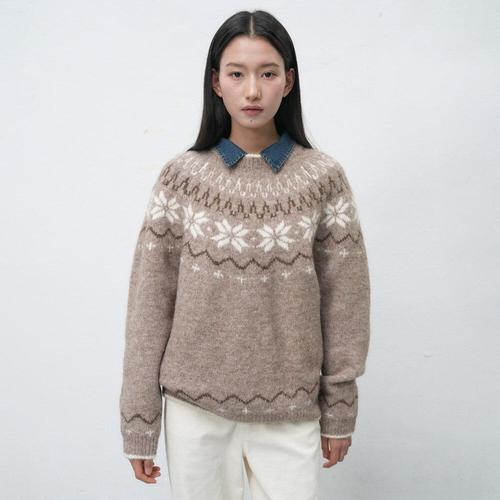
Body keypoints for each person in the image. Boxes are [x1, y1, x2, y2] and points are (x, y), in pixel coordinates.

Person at [119, 9, 371, 500]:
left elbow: (346, 304)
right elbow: (149, 304)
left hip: (291, 411)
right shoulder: (182, 179)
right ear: (216, 83)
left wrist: (339, 407)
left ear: (288, 82)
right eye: (237, 74)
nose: (252, 90)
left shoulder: (322, 180)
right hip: (194, 412)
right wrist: (139, 417)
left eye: (267, 74)